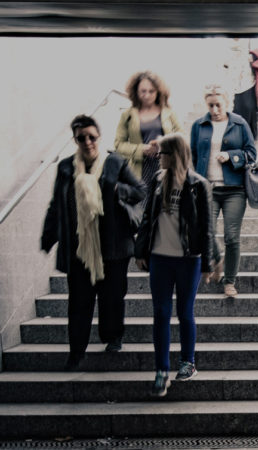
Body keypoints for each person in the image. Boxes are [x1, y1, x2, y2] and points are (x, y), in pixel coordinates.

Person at [41, 115, 146, 370]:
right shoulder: (66, 167)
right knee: (79, 302)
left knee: (112, 298)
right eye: (81, 138)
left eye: (92, 137)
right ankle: (76, 351)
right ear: (75, 140)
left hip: (114, 246)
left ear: (99, 136)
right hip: (80, 249)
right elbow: (57, 203)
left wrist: (117, 190)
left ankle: (113, 337)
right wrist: (48, 236)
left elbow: (140, 190)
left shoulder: (115, 163)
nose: (87, 142)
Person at [135, 133, 214, 398]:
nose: (159, 158)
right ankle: (161, 370)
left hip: (188, 259)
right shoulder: (158, 181)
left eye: (163, 153)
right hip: (159, 257)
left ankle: (187, 362)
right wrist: (141, 250)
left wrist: (208, 261)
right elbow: (147, 218)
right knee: (160, 312)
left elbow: (206, 227)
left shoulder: (198, 184)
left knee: (184, 311)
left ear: (175, 155)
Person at [190, 84, 257, 298]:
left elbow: (251, 154)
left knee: (231, 236)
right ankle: (217, 260)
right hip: (207, 189)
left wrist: (232, 157)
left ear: (227, 103)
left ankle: (229, 281)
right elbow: (192, 155)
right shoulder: (198, 125)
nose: (215, 110)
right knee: (205, 232)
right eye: (211, 105)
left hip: (234, 189)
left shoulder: (239, 123)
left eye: (218, 105)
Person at [114, 70, 183, 184]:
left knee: (163, 201)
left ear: (158, 92)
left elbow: (182, 137)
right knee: (142, 201)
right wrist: (141, 149)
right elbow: (118, 144)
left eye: (151, 91)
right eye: (143, 91)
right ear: (136, 91)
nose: (147, 95)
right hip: (139, 170)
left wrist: (162, 143)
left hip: (166, 167)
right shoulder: (127, 115)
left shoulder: (169, 113)